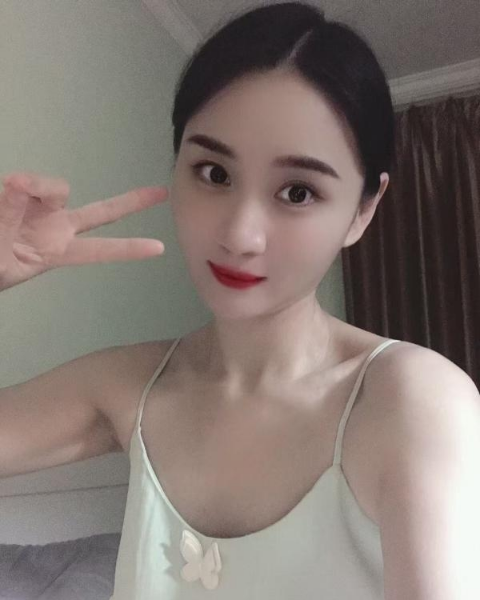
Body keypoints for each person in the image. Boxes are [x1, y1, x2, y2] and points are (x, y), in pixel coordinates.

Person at [1, 2, 479, 598]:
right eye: (214, 174)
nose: (240, 235)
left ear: (363, 210)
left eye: (298, 191)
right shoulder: (128, 387)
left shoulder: (410, 400)